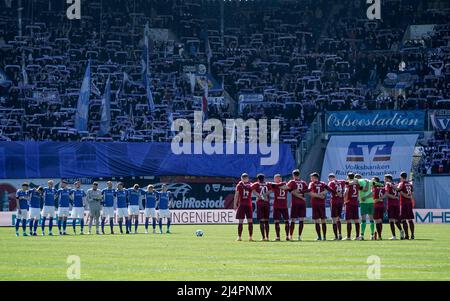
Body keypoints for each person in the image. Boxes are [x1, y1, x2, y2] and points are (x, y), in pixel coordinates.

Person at [286, 170, 309, 241]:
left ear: (293, 175)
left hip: (295, 203)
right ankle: (299, 236)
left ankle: (291, 236)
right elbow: (307, 190)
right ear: (299, 175)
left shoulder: (292, 182)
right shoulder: (303, 182)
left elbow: (288, 189)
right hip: (302, 203)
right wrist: (302, 194)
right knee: (301, 220)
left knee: (293, 220)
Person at [308, 172, 332, 241]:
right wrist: (321, 195)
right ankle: (324, 237)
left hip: (315, 203)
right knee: (323, 220)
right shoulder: (323, 183)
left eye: (311, 177)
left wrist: (317, 195)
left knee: (316, 221)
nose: (311, 179)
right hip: (322, 204)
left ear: (314, 178)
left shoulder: (311, 183)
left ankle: (319, 237)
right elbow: (328, 189)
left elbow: (309, 192)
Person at [267, 174, 290, 241]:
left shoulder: (278, 185)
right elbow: (269, 186)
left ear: (280, 178)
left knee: (286, 221)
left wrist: (277, 185)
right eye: (275, 178)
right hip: (278, 205)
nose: (276, 180)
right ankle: (278, 236)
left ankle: (286, 236)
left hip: (282, 205)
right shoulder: (283, 184)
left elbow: (269, 184)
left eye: (277, 178)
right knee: (277, 221)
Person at [233, 173, 253, 241]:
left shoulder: (239, 185)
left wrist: (235, 204)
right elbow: (255, 192)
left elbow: (236, 195)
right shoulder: (251, 184)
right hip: (248, 205)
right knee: (249, 221)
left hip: (242, 205)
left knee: (241, 221)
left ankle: (239, 237)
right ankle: (250, 237)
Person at [355, 174, 375, 240]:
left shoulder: (359, 185)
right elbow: (372, 191)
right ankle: (372, 235)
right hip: (371, 202)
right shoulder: (369, 182)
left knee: (363, 220)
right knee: (371, 219)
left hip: (364, 203)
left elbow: (365, 189)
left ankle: (362, 235)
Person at [250, 174, 269, 241]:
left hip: (260, 203)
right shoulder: (267, 184)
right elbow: (272, 190)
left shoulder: (256, 184)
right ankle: (267, 237)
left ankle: (263, 237)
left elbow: (252, 189)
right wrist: (265, 195)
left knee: (261, 221)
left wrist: (259, 196)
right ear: (264, 178)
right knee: (266, 221)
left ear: (258, 179)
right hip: (266, 203)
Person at [384, 174, 403, 240]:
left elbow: (387, 194)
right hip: (397, 204)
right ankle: (401, 230)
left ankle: (394, 236)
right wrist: (396, 197)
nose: (384, 180)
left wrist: (393, 197)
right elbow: (398, 191)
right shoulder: (395, 184)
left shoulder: (388, 184)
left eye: (385, 178)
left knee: (391, 220)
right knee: (396, 220)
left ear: (388, 179)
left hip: (391, 204)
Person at [343, 173, 361, 241]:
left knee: (348, 220)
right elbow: (360, 189)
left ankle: (348, 237)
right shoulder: (357, 183)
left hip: (349, 203)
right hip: (355, 203)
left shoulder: (347, 183)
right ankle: (357, 236)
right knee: (356, 220)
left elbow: (346, 192)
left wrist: (345, 200)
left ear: (348, 177)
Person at [327, 173, 345, 240]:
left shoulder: (331, 183)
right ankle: (340, 234)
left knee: (334, 220)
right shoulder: (342, 182)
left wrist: (337, 193)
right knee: (338, 219)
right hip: (340, 202)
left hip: (334, 201)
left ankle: (336, 236)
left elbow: (330, 190)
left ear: (330, 178)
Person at [397, 172, 415, 240]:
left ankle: (407, 235)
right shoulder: (410, 184)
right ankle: (412, 235)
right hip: (409, 203)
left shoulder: (401, 183)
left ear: (401, 177)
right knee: (410, 220)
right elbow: (412, 194)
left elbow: (398, 189)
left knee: (404, 220)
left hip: (404, 203)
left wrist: (392, 185)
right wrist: (412, 199)